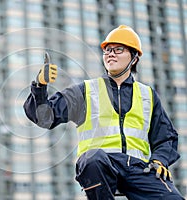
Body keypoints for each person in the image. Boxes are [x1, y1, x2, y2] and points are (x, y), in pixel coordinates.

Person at [23, 25, 185, 199]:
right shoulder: (85, 91)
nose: (110, 54)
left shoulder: (147, 95)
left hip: (139, 170)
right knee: (93, 158)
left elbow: (166, 137)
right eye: (107, 50)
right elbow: (44, 117)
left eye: (118, 50)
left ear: (134, 58)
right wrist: (40, 86)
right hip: (99, 167)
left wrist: (160, 160)